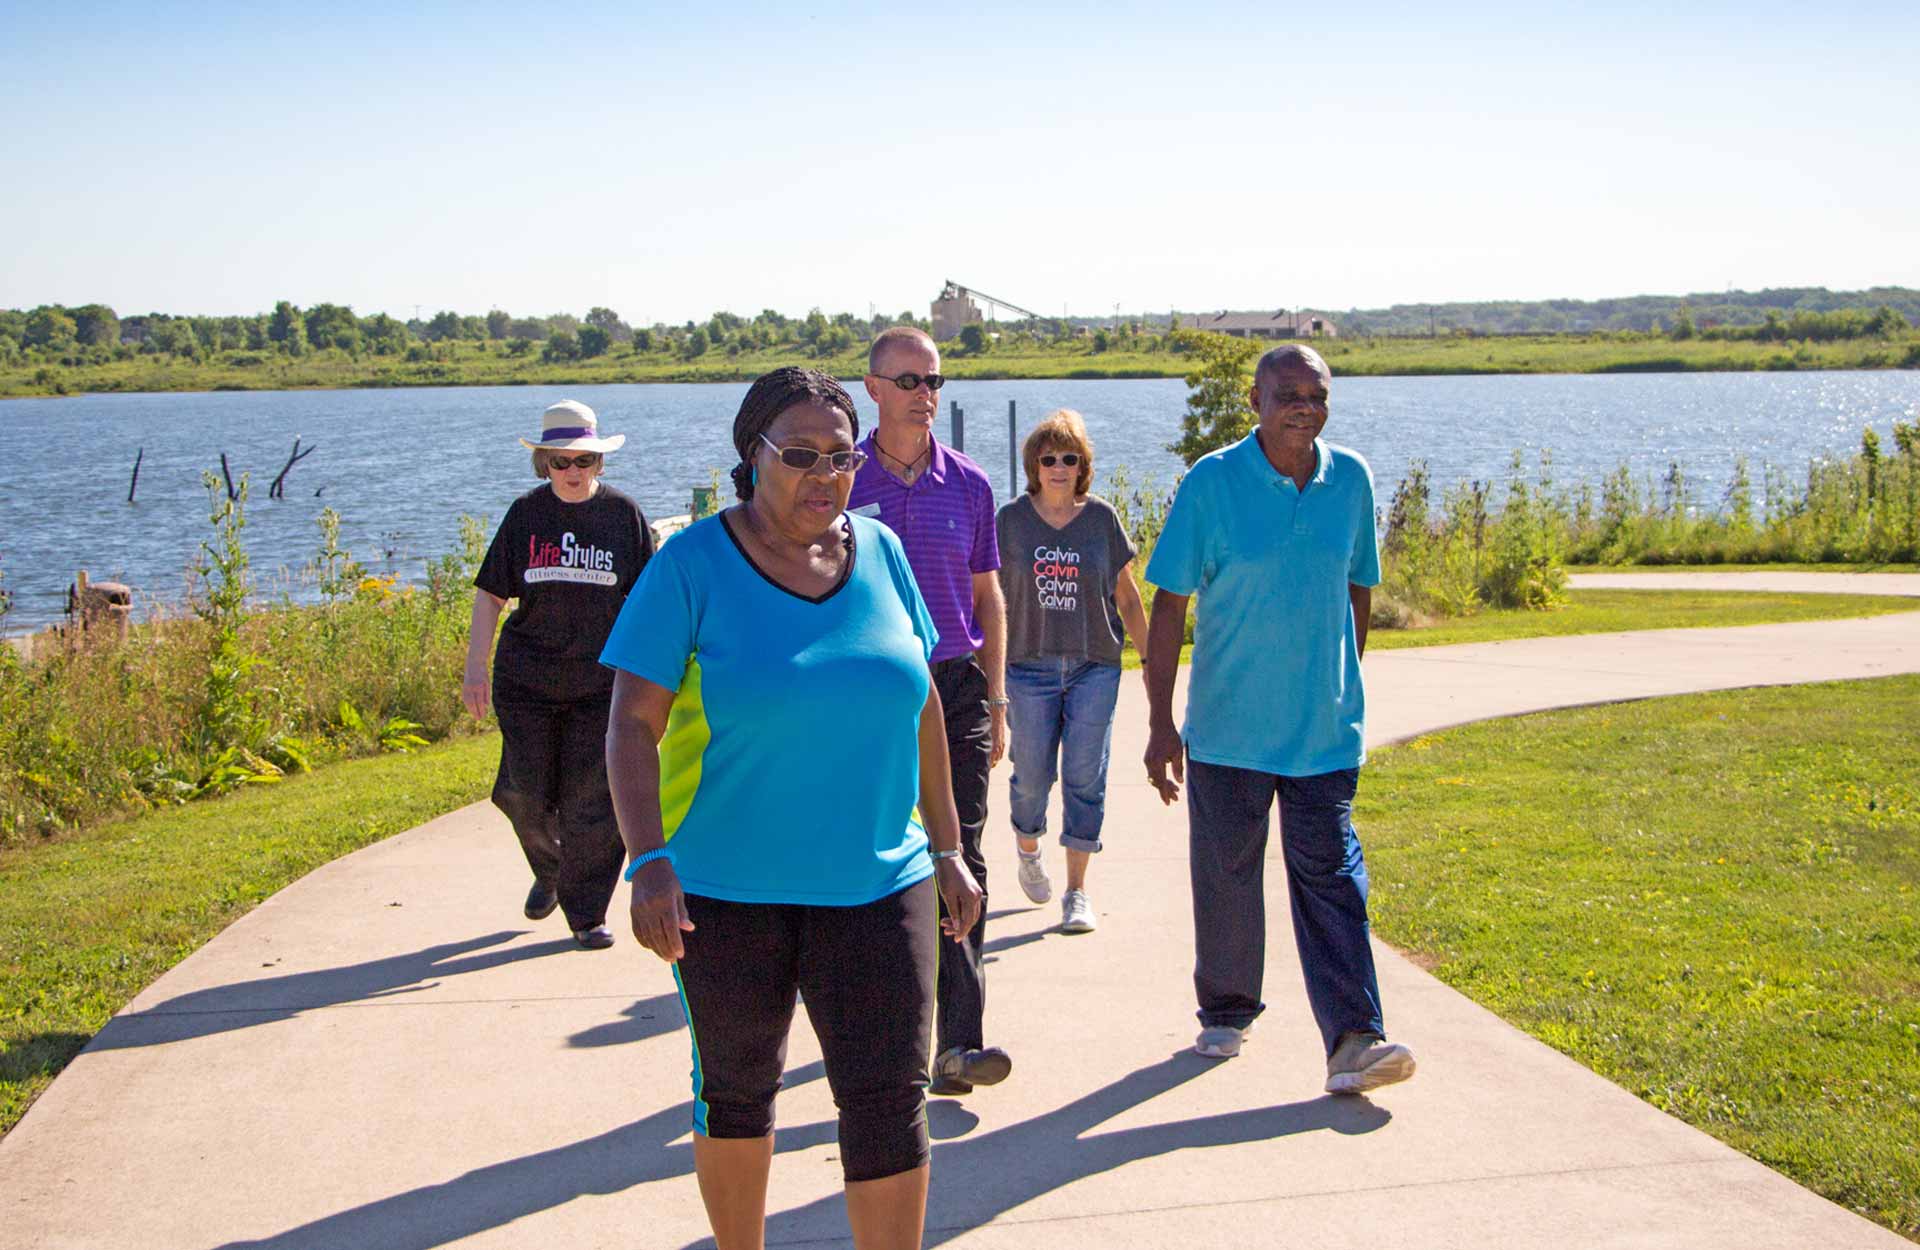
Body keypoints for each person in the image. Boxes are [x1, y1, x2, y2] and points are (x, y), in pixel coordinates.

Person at [602, 367, 983, 1250]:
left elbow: (921, 699)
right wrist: (647, 860)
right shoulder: (691, 565)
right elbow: (630, 724)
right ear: (753, 457)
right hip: (725, 892)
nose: (826, 475)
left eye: (843, 457)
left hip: (880, 884)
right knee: (738, 1092)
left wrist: (950, 847)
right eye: (800, 455)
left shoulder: (882, 553)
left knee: (891, 1097)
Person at [1141, 344, 1417, 1095]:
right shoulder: (1213, 482)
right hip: (1228, 729)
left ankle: (1355, 1041)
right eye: (1288, 393)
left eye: (1317, 394)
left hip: (1324, 731)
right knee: (1227, 875)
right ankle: (1227, 1010)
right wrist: (1162, 723)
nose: (1304, 406)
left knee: (1331, 875)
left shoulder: (1350, 480)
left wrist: (1344, 682)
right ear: (1256, 401)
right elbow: (1170, 604)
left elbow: (1358, 587)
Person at [848, 325, 1011, 1097]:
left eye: (934, 381)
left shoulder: (971, 485)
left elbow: (989, 597)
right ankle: (878, 1028)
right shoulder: (840, 484)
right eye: (908, 381)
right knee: (870, 851)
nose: (925, 396)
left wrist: (999, 694)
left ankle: (961, 1045)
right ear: (872, 389)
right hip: (867, 693)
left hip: (954, 686)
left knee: (964, 853)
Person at [464, 399, 654, 950]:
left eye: (583, 462)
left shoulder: (623, 517)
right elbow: (491, 594)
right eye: (559, 463)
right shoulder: (526, 515)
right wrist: (475, 667)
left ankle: (586, 914)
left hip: (602, 686)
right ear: (543, 464)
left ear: (600, 463)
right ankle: (550, 870)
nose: (571, 473)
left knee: (593, 803)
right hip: (527, 681)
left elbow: (650, 602)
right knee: (520, 794)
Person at [995, 409, 1150, 935]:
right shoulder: (1010, 521)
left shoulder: (1101, 519)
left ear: (1082, 466)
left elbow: (1127, 597)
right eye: (1049, 458)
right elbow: (988, 599)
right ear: (1034, 466)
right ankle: (1028, 845)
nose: (1059, 467)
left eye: (1070, 459)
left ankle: (1077, 892)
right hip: (1027, 667)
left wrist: (1151, 664)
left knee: (1086, 777)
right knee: (1032, 776)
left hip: (1093, 666)